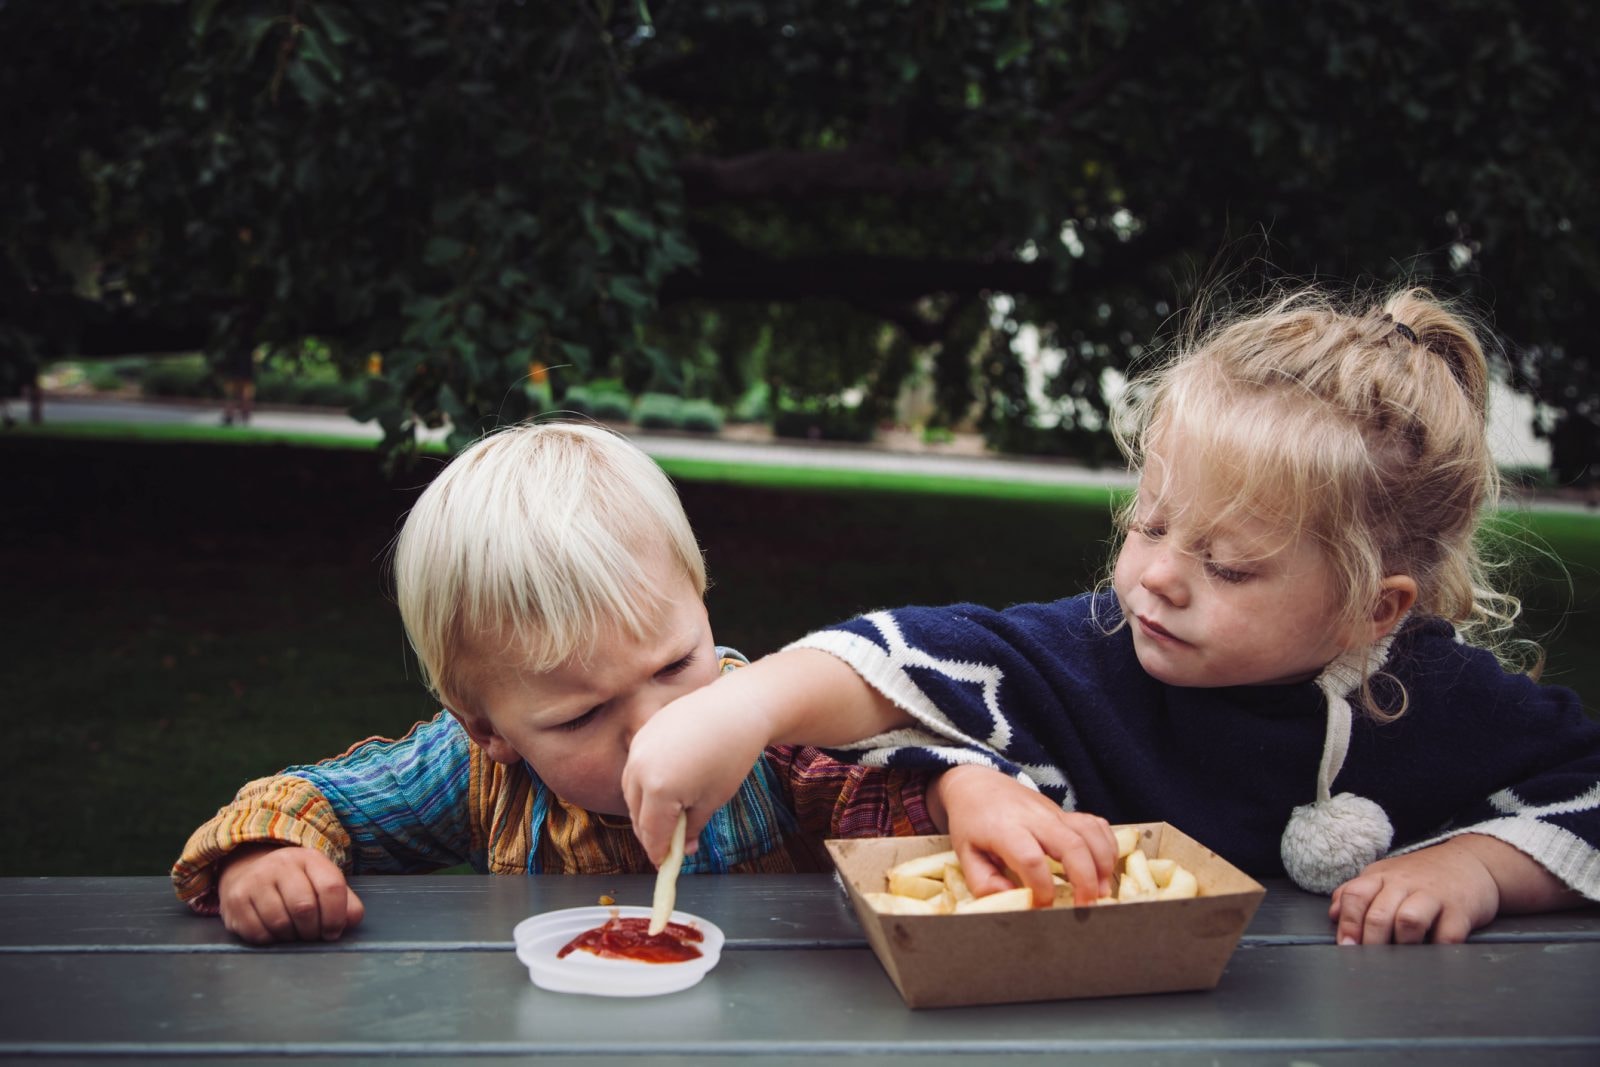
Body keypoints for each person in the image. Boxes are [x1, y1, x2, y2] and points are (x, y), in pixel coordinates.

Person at [622, 287, 1600, 945]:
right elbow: (910, 656)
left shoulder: (1441, 695)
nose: (1158, 577)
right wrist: (736, 708)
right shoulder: (1089, 653)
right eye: (1149, 522)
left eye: (1224, 562)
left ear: (1366, 609)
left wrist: (1483, 865)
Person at [173, 421, 1034, 945]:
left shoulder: (765, 739)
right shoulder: (476, 777)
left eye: (673, 665)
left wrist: (962, 794)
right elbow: (310, 799)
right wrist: (269, 855)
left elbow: (882, 792)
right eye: (583, 714)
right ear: (490, 730)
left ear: (700, 605)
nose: (659, 725)